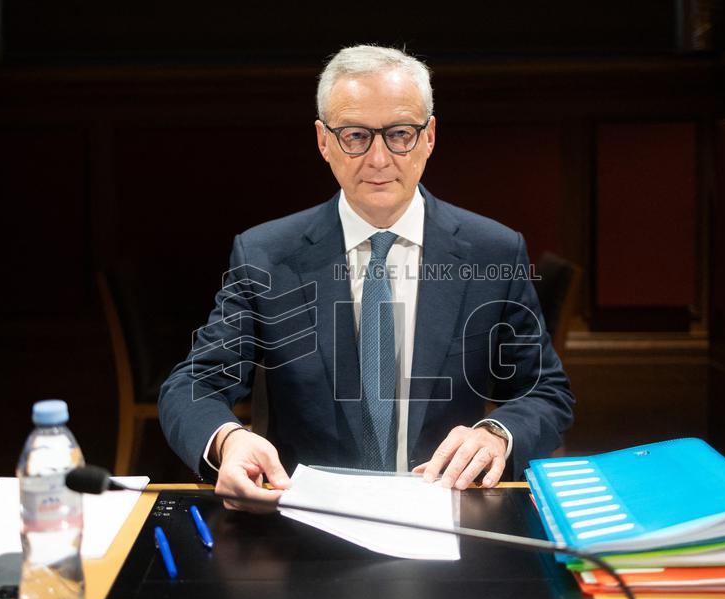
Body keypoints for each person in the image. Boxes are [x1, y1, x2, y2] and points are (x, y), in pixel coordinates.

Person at [159, 45, 574, 511]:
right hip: (304, 522)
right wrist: (228, 441)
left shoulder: (492, 251)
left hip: (446, 514)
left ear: (429, 136)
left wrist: (499, 435)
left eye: (400, 134)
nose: (378, 159)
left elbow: (545, 391)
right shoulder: (266, 253)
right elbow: (194, 384)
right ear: (324, 141)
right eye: (356, 136)